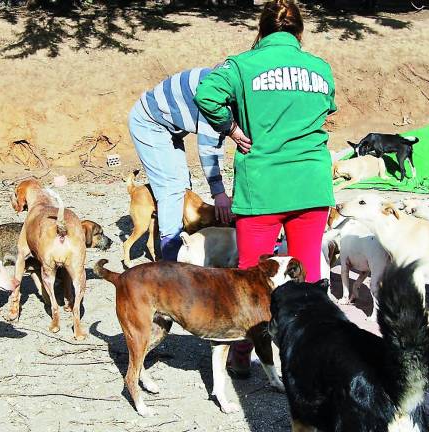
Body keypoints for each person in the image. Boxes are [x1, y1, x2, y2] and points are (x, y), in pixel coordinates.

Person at [194, 0, 336, 377]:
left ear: (260, 32)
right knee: (303, 279)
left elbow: (206, 95)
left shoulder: (242, 65)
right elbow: (326, 109)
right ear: (300, 34)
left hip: (263, 187)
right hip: (311, 185)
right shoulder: (321, 69)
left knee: (249, 281)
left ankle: (242, 355)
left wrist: (232, 128)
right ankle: (302, 360)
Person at [128, 67, 233, 261]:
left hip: (172, 127)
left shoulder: (237, 82)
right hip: (149, 121)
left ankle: (187, 248)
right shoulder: (217, 95)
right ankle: (172, 256)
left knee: (184, 188)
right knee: (171, 188)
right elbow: (210, 147)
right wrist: (219, 193)